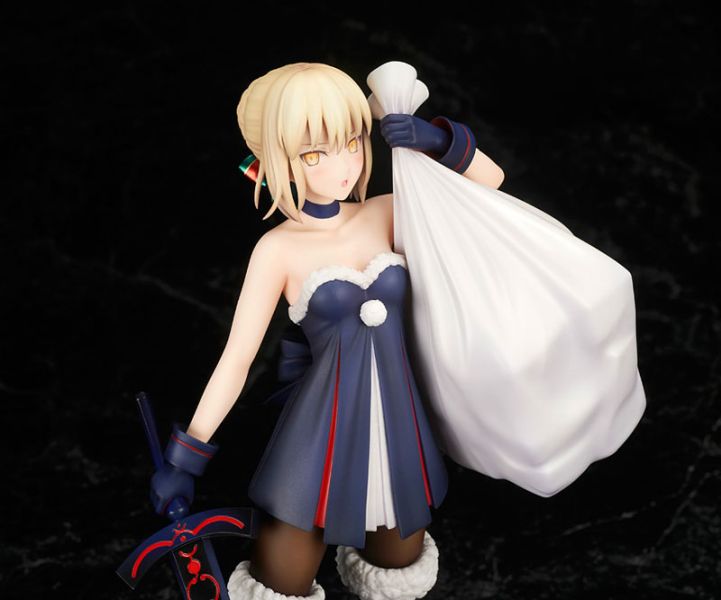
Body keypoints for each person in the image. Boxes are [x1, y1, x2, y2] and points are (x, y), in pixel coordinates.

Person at [150, 62, 504, 600]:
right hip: (318, 434)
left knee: (397, 568)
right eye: (316, 153)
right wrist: (186, 457)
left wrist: (438, 140)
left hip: (398, 424)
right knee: (282, 577)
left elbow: (491, 185)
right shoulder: (278, 249)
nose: (344, 165)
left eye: (352, 143)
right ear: (281, 159)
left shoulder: (387, 212)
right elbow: (237, 360)